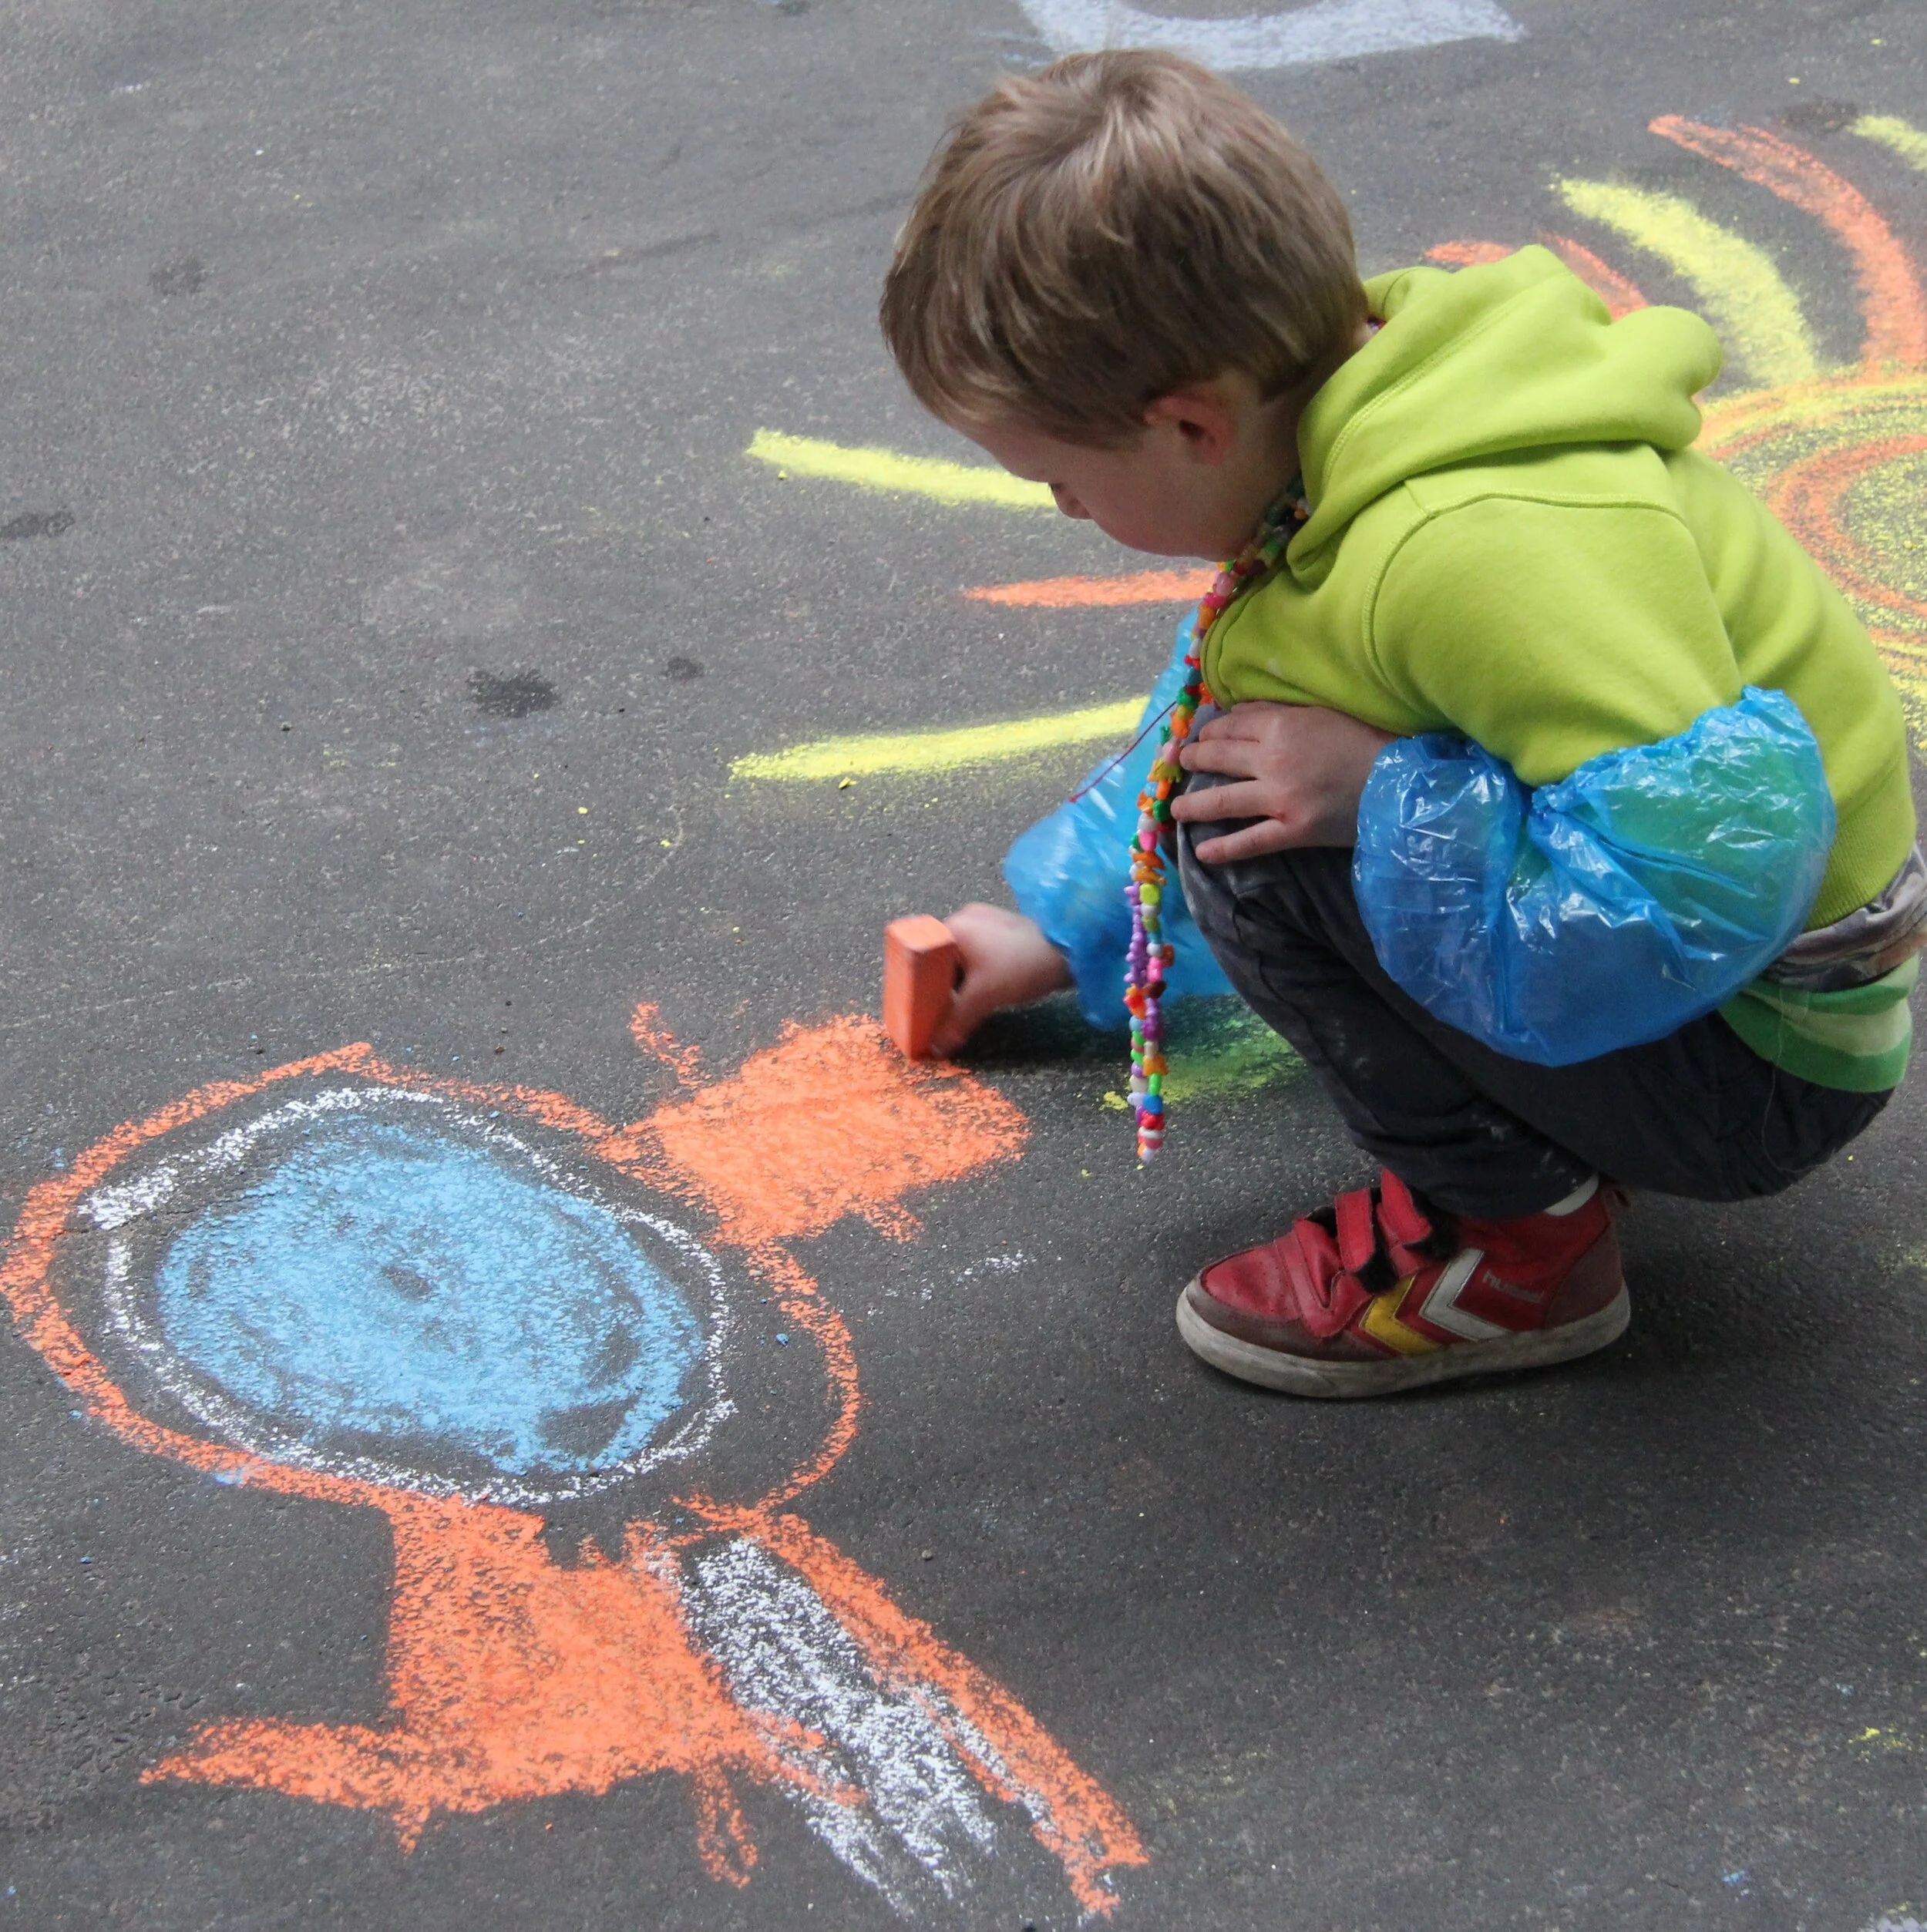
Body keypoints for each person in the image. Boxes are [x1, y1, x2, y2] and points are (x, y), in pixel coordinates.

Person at [876, 50, 1925, 1398]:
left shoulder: (1464, 545)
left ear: (1190, 423)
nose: (1063, 513)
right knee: (1274, 780)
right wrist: (1066, 924)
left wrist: (1381, 800)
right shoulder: (1362, 414)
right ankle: (1518, 1118)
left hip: (1763, 1063)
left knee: (1258, 859)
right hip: (1718, 981)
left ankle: (1518, 1248)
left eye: (1062, 482)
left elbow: (1701, 876)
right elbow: (1245, 693)